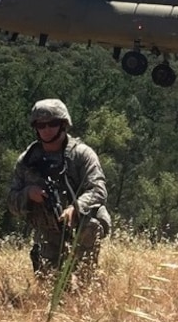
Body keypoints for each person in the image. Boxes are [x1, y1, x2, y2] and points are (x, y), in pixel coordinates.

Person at [7, 99, 110, 284]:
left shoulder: (82, 155)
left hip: (81, 227)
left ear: (63, 125)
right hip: (48, 231)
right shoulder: (27, 160)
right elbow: (11, 202)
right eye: (41, 125)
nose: (47, 129)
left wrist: (75, 208)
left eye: (53, 124)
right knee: (50, 286)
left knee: (85, 285)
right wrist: (29, 194)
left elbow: (98, 189)